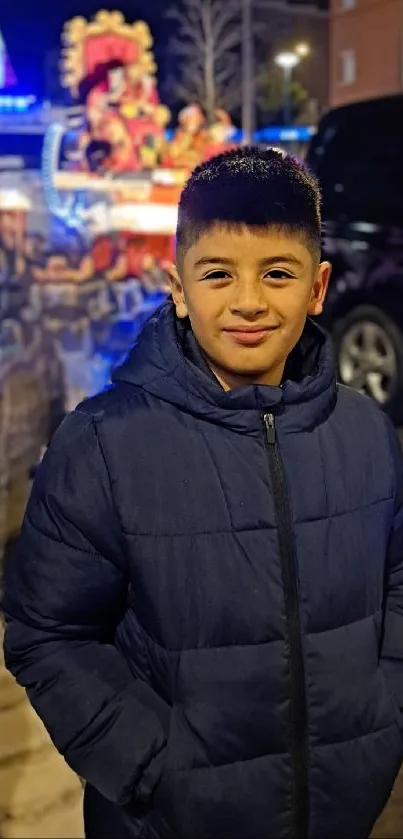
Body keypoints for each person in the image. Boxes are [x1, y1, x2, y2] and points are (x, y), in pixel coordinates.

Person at [3, 147, 403, 839]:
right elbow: (48, 632)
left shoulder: (366, 433)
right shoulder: (103, 443)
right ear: (178, 287)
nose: (247, 300)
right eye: (217, 273)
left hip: (344, 807)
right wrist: (149, 764)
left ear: (317, 287)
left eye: (276, 273)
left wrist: (385, 714)